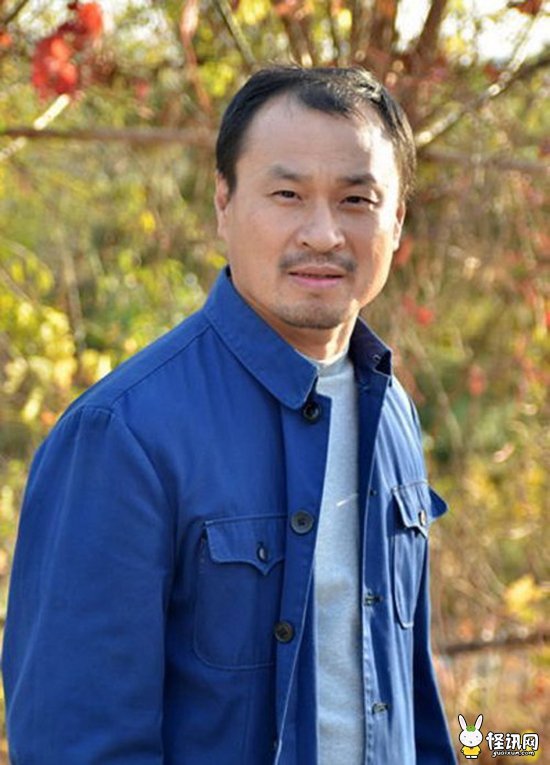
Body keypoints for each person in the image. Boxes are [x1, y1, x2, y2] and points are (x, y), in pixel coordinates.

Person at [2, 66, 457, 764]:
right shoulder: (124, 435)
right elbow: (79, 743)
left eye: (356, 200)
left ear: (396, 221)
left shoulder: (390, 409)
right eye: (287, 194)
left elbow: (409, 700)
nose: (324, 233)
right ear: (224, 202)